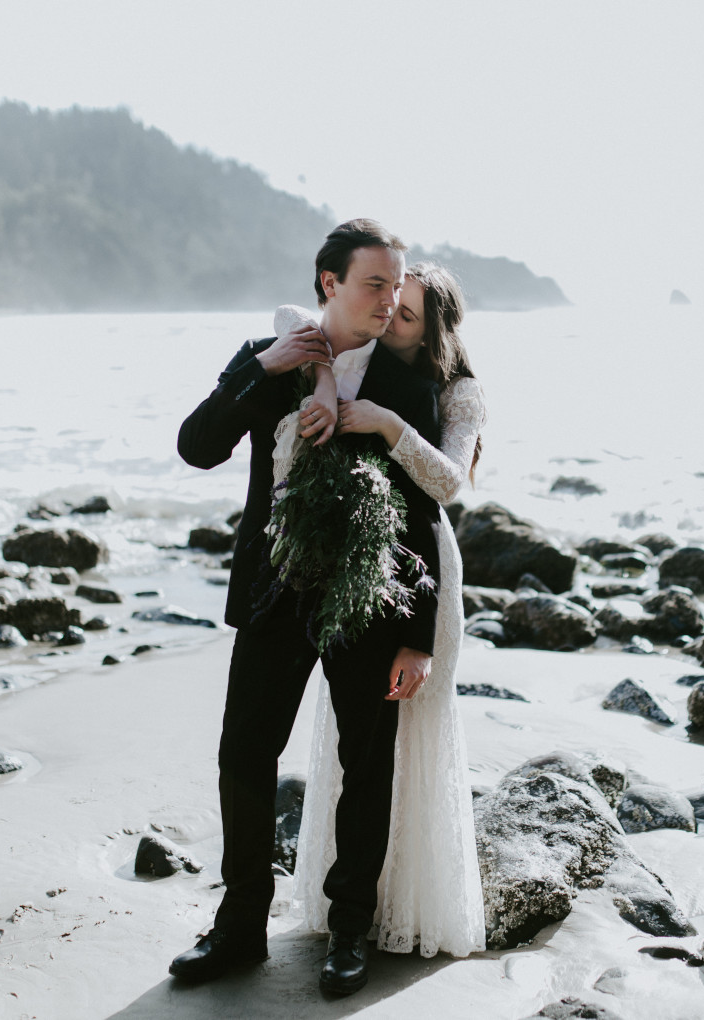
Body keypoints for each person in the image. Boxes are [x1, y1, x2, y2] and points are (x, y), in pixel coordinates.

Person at [171, 220, 445, 996]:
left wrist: (417, 638)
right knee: (245, 754)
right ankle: (239, 927)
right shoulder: (270, 356)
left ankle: (349, 930)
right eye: (374, 284)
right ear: (329, 282)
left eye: (397, 287)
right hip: (272, 592)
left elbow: (426, 511)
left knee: (368, 764)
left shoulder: (404, 382)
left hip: (371, 606)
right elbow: (197, 446)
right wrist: (263, 367)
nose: (391, 302)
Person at [271, 261, 487, 960]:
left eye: (409, 314)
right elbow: (287, 319)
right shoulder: (354, 354)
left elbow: (447, 484)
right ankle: (354, 912)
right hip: (346, 573)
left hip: (419, 579)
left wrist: (389, 424)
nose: (391, 316)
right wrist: (332, 383)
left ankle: (384, 913)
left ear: (434, 331)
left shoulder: (457, 392)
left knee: (406, 744)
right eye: (391, 301)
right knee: (358, 748)